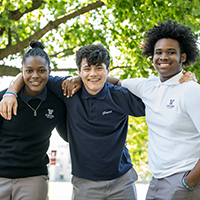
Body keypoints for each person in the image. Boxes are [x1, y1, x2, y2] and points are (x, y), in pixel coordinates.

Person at [0, 44, 146, 200]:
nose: (93, 74)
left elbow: (154, 100)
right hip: (85, 182)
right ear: (79, 71)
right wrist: (11, 93)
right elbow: (31, 74)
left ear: (108, 70)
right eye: (87, 69)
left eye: (99, 68)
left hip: (121, 180)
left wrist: (117, 82)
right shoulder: (66, 89)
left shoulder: (120, 96)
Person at [107, 20, 200, 200]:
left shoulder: (191, 90)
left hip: (184, 181)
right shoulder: (148, 85)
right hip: (157, 180)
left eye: (171, 52)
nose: (163, 57)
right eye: (159, 52)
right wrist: (80, 78)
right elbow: (115, 82)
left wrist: (189, 182)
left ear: (183, 57)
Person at [0, 40, 67, 200]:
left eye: (41, 70)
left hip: (34, 177)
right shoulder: (4, 99)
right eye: (29, 70)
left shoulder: (57, 103)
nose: (35, 76)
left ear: (49, 71)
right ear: (21, 72)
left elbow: (69, 136)